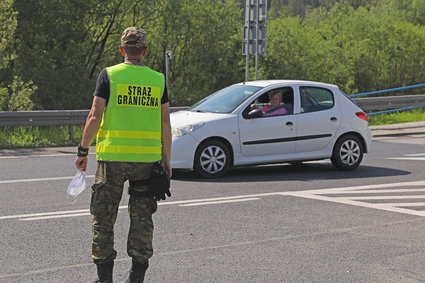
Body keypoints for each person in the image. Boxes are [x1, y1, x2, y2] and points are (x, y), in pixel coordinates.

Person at [74, 26, 172, 283]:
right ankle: (136, 278)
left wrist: (83, 150)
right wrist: (167, 159)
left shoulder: (109, 75)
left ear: (121, 50)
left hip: (112, 161)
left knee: (103, 218)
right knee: (142, 219)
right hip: (147, 162)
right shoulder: (158, 79)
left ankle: (104, 278)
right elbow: (165, 123)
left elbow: (94, 116)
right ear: (145, 51)